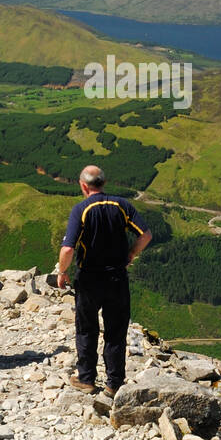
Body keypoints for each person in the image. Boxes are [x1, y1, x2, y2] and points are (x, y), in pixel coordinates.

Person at [56, 165, 152, 396]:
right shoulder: (122, 205)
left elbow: (68, 248)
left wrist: (62, 272)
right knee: (116, 332)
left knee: (87, 329)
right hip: (117, 278)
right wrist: (131, 254)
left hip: (89, 279)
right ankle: (114, 384)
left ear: (83, 185)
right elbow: (146, 235)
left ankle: (87, 379)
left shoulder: (81, 209)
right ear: (103, 183)